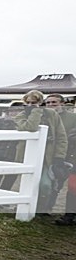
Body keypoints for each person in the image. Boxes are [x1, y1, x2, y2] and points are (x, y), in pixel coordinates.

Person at [12, 90, 68, 215]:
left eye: (34, 102)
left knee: (45, 185)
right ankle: (25, 209)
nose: (31, 105)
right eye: (28, 102)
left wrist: (59, 156)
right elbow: (30, 127)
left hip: (47, 157)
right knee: (27, 185)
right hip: (27, 156)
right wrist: (35, 112)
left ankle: (40, 209)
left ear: (40, 102)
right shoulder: (20, 116)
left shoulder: (52, 115)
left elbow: (61, 137)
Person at [43, 94, 76, 222]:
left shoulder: (72, 118)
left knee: (61, 184)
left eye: (54, 102)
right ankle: (45, 208)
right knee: (49, 182)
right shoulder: (45, 116)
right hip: (49, 154)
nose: (51, 105)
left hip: (68, 156)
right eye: (48, 102)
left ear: (62, 103)